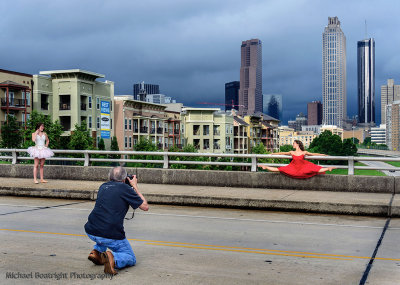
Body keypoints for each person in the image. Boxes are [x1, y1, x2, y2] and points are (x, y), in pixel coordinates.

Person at [84, 166, 149, 275]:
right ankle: (113, 258)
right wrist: (134, 186)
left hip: (91, 229)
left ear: (110, 176)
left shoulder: (103, 186)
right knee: (130, 257)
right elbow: (145, 206)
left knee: (103, 229)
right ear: (124, 179)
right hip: (109, 234)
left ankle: (96, 252)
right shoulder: (126, 189)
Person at [258, 140, 336, 179]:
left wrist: (324, 155)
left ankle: (328, 168)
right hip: (294, 168)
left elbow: (314, 154)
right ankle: (266, 167)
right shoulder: (291, 152)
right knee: (280, 169)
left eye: (294, 143)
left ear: (297, 144)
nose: (293, 144)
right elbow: (282, 153)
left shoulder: (304, 152)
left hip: (302, 168)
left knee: (314, 169)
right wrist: (273, 154)